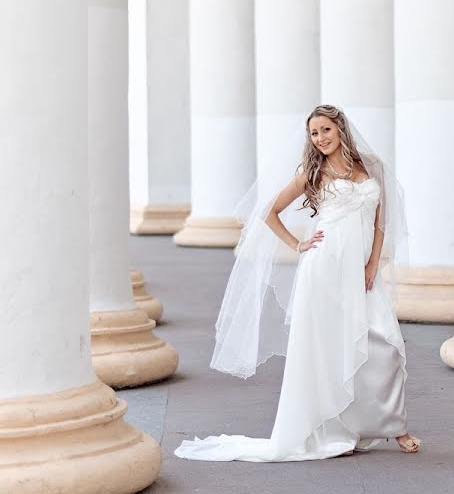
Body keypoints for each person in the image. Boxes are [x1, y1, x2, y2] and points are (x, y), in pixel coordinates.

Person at [174, 104, 421, 462]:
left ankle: (394, 425)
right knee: (326, 350)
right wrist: (299, 245)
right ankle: (330, 426)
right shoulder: (313, 172)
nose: (320, 138)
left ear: (341, 129)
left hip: (359, 270)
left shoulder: (371, 166)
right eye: (314, 133)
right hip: (322, 268)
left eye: (325, 130)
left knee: (384, 341)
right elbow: (268, 212)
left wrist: (372, 264)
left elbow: (381, 222)